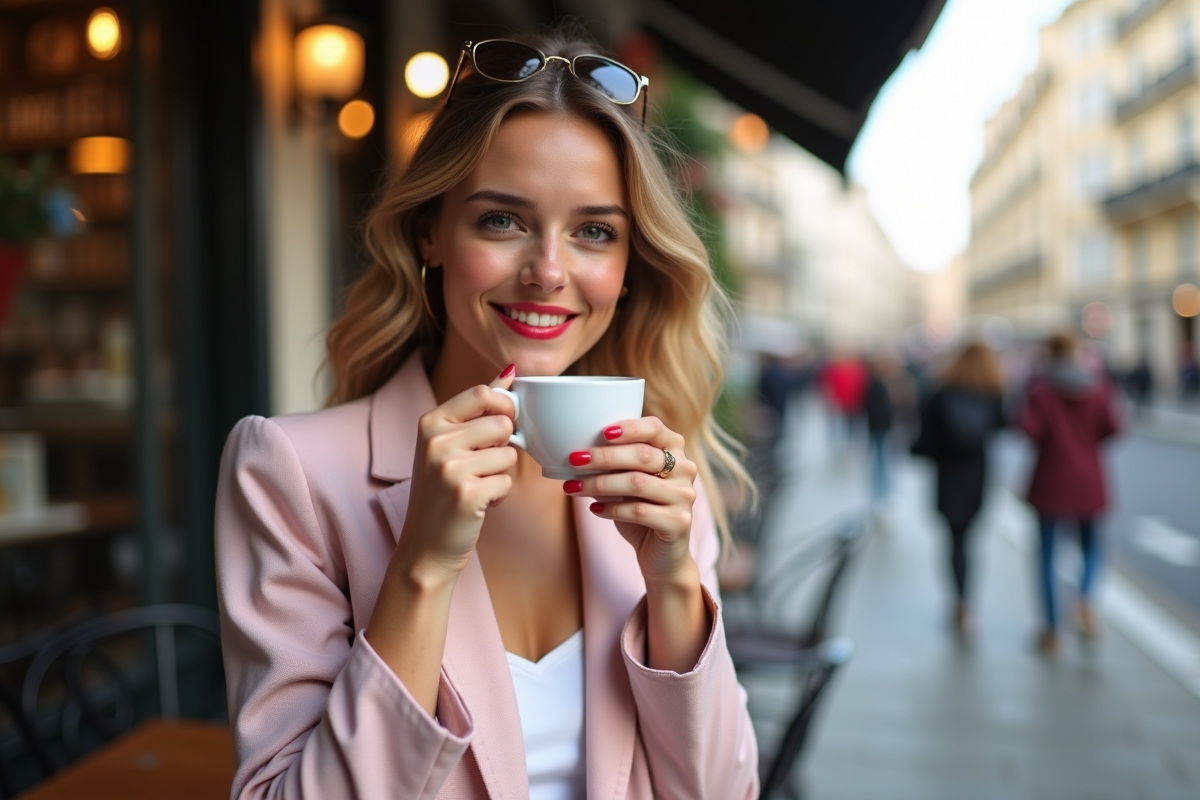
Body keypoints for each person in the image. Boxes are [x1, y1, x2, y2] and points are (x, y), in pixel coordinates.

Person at [214, 31, 759, 800]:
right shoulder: (291, 472)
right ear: (431, 231)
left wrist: (671, 579)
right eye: (503, 220)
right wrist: (421, 567)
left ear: (631, 265)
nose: (547, 270)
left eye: (594, 232)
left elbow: (721, 792)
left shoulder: (654, 476)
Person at [1019, 331, 1120, 657]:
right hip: (1089, 479)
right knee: (1092, 546)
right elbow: (1114, 428)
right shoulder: (1098, 386)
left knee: (1046, 556)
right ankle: (1085, 599)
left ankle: (1051, 632)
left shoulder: (1041, 391)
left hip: (1050, 479)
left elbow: (1030, 431)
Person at [910, 342, 1005, 639]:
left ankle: (958, 602)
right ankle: (968, 606)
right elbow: (1004, 426)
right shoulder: (993, 394)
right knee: (971, 541)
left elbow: (923, 442)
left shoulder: (940, 393)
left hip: (947, 476)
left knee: (954, 542)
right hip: (977, 476)